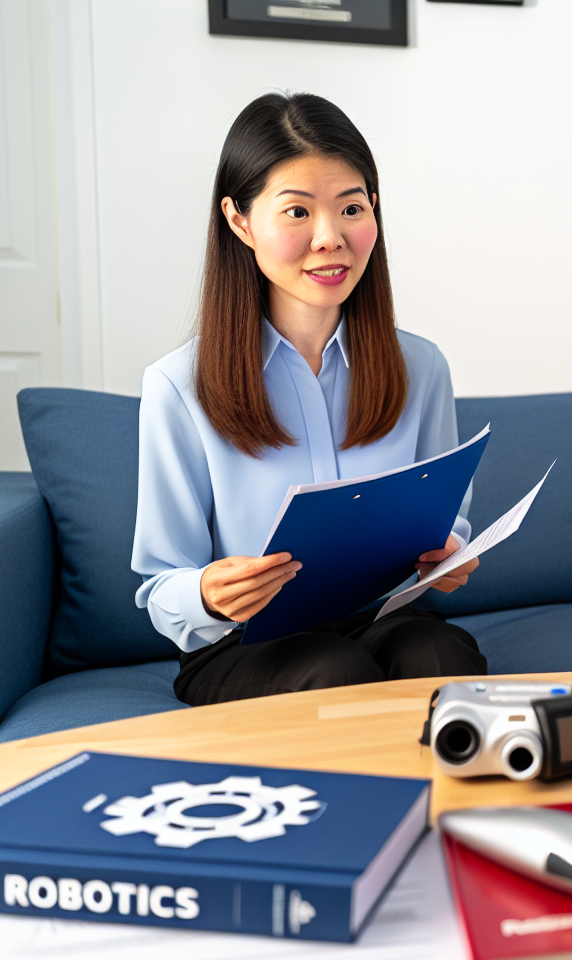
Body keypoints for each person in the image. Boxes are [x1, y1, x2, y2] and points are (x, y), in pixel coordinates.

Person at [132, 93, 487, 706]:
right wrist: (210, 593)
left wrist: (449, 555)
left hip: (382, 621)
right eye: (297, 212)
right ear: (240, 222)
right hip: (243, 643)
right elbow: (164, 583)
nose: (331, 238)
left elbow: (446, 519)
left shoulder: (421, 367)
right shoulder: (177, 385)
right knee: (332, 668)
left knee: (440, 654)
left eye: (351, 208)